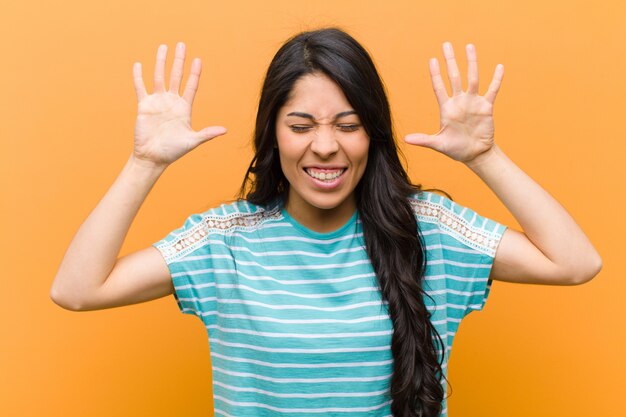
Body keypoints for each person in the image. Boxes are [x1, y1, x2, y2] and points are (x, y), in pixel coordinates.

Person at [50, 28, 602, 417]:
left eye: (348, 124)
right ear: (274, 133)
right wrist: (145, 163)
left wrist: (485, 157)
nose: (325, 146)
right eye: (301, 124)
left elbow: (575, 263)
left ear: (373, 135)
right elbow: (77, 290)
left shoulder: (430, 230)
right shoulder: (224, 242)